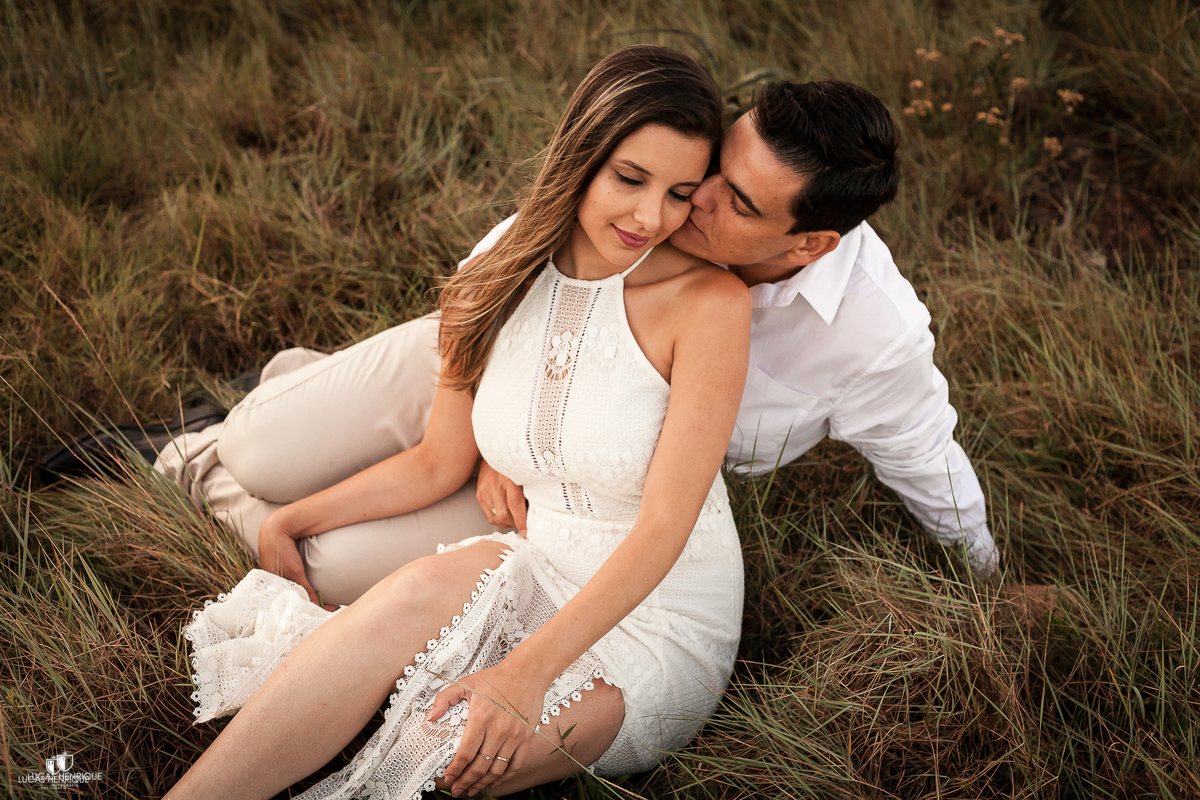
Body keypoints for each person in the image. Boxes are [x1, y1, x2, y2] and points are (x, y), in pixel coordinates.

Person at [153, 77, 998, 608]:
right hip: (488, 367)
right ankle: (269, 413)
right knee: (262, 448)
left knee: (328, 568)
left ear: (810, 243)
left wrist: (984, 581)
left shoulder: (871, 339)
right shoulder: (660, 197)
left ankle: (198, 456)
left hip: (576, 487)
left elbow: (926, 455)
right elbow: (504, 260)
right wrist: (497, 437)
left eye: (736, 203)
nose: (690, 204)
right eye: (714, 170)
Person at [167, 44, 750, 800]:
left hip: (659, 615)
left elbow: (665, 528)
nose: (650, 217)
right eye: (629, 179)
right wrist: (292, 522)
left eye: (680, 193)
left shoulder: (711, 304)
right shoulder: (500, 264)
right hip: (537, 561)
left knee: (439, 745)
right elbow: (440, 462)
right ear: (582, 154)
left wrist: (527, 671)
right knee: (381, 612)